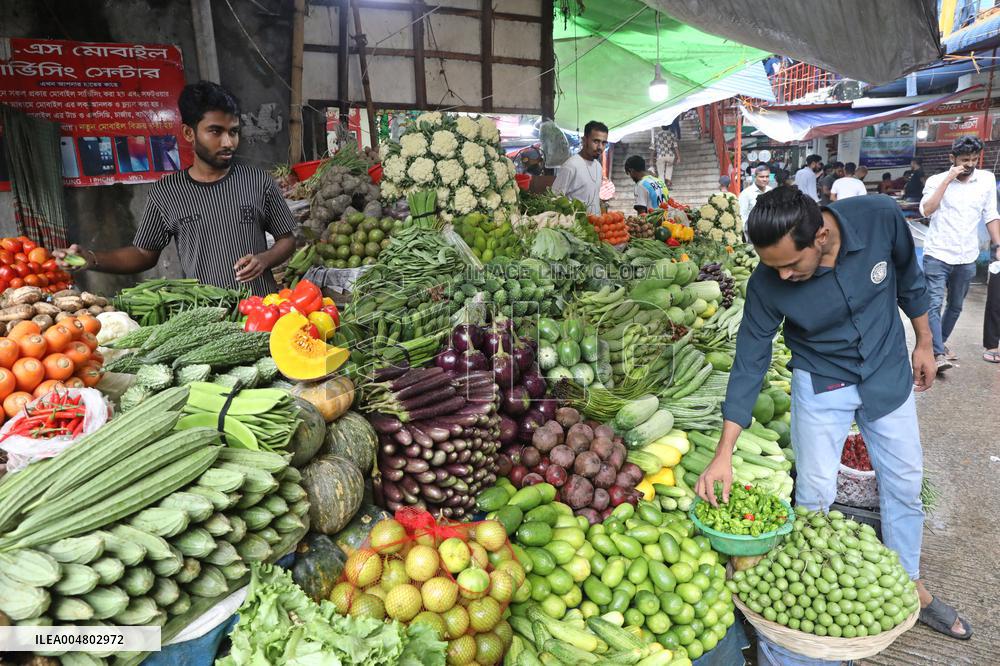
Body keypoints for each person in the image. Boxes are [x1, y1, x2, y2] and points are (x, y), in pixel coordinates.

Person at [695, 187, 972, 664]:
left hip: (886, 369)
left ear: (820, 235)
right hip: (821, 378)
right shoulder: (767, 282)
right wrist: (724, 454)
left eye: (790, 265)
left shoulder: (880, 217)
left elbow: (910, 280)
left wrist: (926, 342)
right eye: (772, 266)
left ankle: (910, 586)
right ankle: (822, 603)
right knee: (814, 496)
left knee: (904, 484)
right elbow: (750, 361)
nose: (781, 275)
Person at [56, 81, 296, 296]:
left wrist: (264, 259)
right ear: (189, 133)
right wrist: (93, 259)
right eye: (216, 131)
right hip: (207, 317)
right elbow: (143, 254)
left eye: (233, 132)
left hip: (263, 309)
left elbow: (287, 239)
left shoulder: (257, 181)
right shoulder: (167, 192)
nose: (228, 142)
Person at [920, 135, 1000, 371]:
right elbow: (926, 210)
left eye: (975, 159)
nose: (971, 164)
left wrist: (998, 244)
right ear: (952, 158)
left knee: (955, 306)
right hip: (937, 253)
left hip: (966, 256)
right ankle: (936, 353)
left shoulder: (985, 180)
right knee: (934, 304)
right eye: (965, 160)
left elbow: (991, 215)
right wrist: (948, 180)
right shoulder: (936, 180)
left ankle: (940, 343)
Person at [552, 120, 607, 216]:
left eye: (603, 143)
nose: (600, 147)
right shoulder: (571, 166)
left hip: (595, 225)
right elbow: (554, 198)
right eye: (596, 141)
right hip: (576, 227)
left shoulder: (598, 166)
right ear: (584, 140)